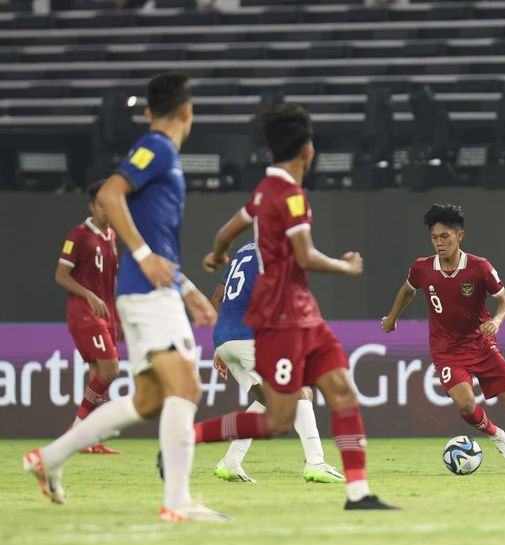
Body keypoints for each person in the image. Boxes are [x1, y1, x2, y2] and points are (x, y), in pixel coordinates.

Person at [23, 71, 228, 521]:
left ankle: (50, 458)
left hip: (152, 291)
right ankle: (177, 502)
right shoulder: (156, 148)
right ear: (188, 112)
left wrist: (188, 289)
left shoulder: (163, 154)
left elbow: (159, 244)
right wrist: (140, 254)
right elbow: (113, 192)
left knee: (148, 400)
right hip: (146, 293)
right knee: (187, 386)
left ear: (152, 110)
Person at [195, 103, 397, 510]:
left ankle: (357, 492)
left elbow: (224, 233)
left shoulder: (261, 192)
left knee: (335, 389)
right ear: (307, 151)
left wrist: (217, 255)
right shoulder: (291, 196)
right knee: (290, 405)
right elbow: (304, 256)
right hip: (279, 320)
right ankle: (194, 439)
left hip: (287, 319)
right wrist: (346, 265)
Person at [381, 203, 505, 474]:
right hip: (446, 349)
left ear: (460, 236)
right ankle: (495, 433)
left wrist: (495, 321)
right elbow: (408, 290)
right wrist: (392, 318)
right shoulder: (422, 268)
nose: (439, 243)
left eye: (445, 237)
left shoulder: (480, 267)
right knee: (466, 403)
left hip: (481, 345)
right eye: (435, 238)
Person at [209, 240, 345, 484]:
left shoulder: (244, 250)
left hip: (225, 339)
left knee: (268, 400)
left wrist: (221, 346)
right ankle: (316, 463)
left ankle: (230, 461)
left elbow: (218, 297)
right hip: (251, 337)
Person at [55, 181, 122, 454]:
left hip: (106, 314)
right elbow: (60, 275)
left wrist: (117, 313)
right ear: (92, 206)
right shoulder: (79, 235)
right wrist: (90, 296)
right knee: (111, 370)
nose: (106, 211)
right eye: (101, 205)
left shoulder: (111, 236)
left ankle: (89, 440)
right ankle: (77, 429)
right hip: (84, 313)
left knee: (98, 374)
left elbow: (111, 280)